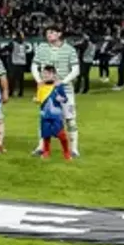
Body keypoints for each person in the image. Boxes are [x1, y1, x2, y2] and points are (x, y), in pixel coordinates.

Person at [32, 25, 80, 157]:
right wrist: (38, 80)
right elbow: (34, 65)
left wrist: (63, 82)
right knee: (44, 118)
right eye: (47, 33)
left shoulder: (69, 49)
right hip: (46, 90)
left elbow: (76, 69)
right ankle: (41, 147)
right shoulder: (42, 48)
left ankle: (74, 149)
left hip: (65, 90)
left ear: (59, 34)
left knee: (70, 119)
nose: (49, 35)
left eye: (52, 32)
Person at [35, 65, 73, 161]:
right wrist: (36, 100)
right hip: (44, 115)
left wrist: (61, 99)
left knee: (61, 134)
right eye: (44, 74)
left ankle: (66, 152)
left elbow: (65, 99)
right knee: (46, 134)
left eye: (48, 74)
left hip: (56, 116)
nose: (45, 76)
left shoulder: (58, 86)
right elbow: (39, 98)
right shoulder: (41, 86)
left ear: (54, 75)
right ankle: (46, 152)